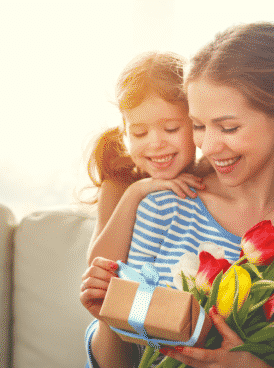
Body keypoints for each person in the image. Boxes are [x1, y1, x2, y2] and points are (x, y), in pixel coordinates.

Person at [81, 22, 274, 368]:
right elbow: (126, 357)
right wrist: (111, 320)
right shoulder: (164, 207)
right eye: (198, 126)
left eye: (228, 127)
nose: (209, 147)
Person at [85, 51, 204, 267]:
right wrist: (136, 192)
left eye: (171, 129)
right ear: (125, 131)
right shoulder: (119, 185)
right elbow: (99, 266)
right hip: (137, 298)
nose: (156, 143)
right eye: (140, 133)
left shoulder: (208, 181)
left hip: (181, 297)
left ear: (196, 122)